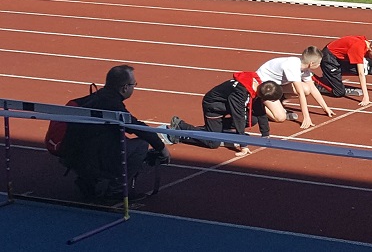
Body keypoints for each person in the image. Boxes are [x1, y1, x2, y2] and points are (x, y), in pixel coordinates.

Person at [60, 65, 169, 199]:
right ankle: (116, 189)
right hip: (88, 157)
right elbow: (135, 126)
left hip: (71, 154)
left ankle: (90, 181)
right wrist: (161, 147)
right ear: (125, 88)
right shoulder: (112, 104)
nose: (134, 87)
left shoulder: (93, 98)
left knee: (117, 139)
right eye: (134, 84)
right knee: (140, 145)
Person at [168, 73, 282, 156]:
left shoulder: (256, 86)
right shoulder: (240, 93)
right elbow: (239, 117)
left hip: (226, 105)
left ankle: (212, 129)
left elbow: (259, 110)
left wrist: (265, 134)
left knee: (252, 119)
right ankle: (181, 127)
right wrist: (243, 145)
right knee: (213, 143)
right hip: (213, 107)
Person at [256, 47, 336, 130]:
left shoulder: (304, 67)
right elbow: (300, 93)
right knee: (280, 117)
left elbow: (312, 88)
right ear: (311, 63)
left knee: (307, 89)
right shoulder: (292, 67)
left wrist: (325, 108)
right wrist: (306, 117)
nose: (320, 65)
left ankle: (278, 100)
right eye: (319, 63)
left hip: (276, 85)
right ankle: (256, 105)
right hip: (264, 88)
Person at [312, 36, 372, 106]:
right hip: (329, 58)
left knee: (364, 68)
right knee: (339, 92)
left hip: (339, 59)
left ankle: (330, 75)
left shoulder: (369, 47)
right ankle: (314, 78)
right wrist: (366, 96)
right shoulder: (359, 48)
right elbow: (361, 74)